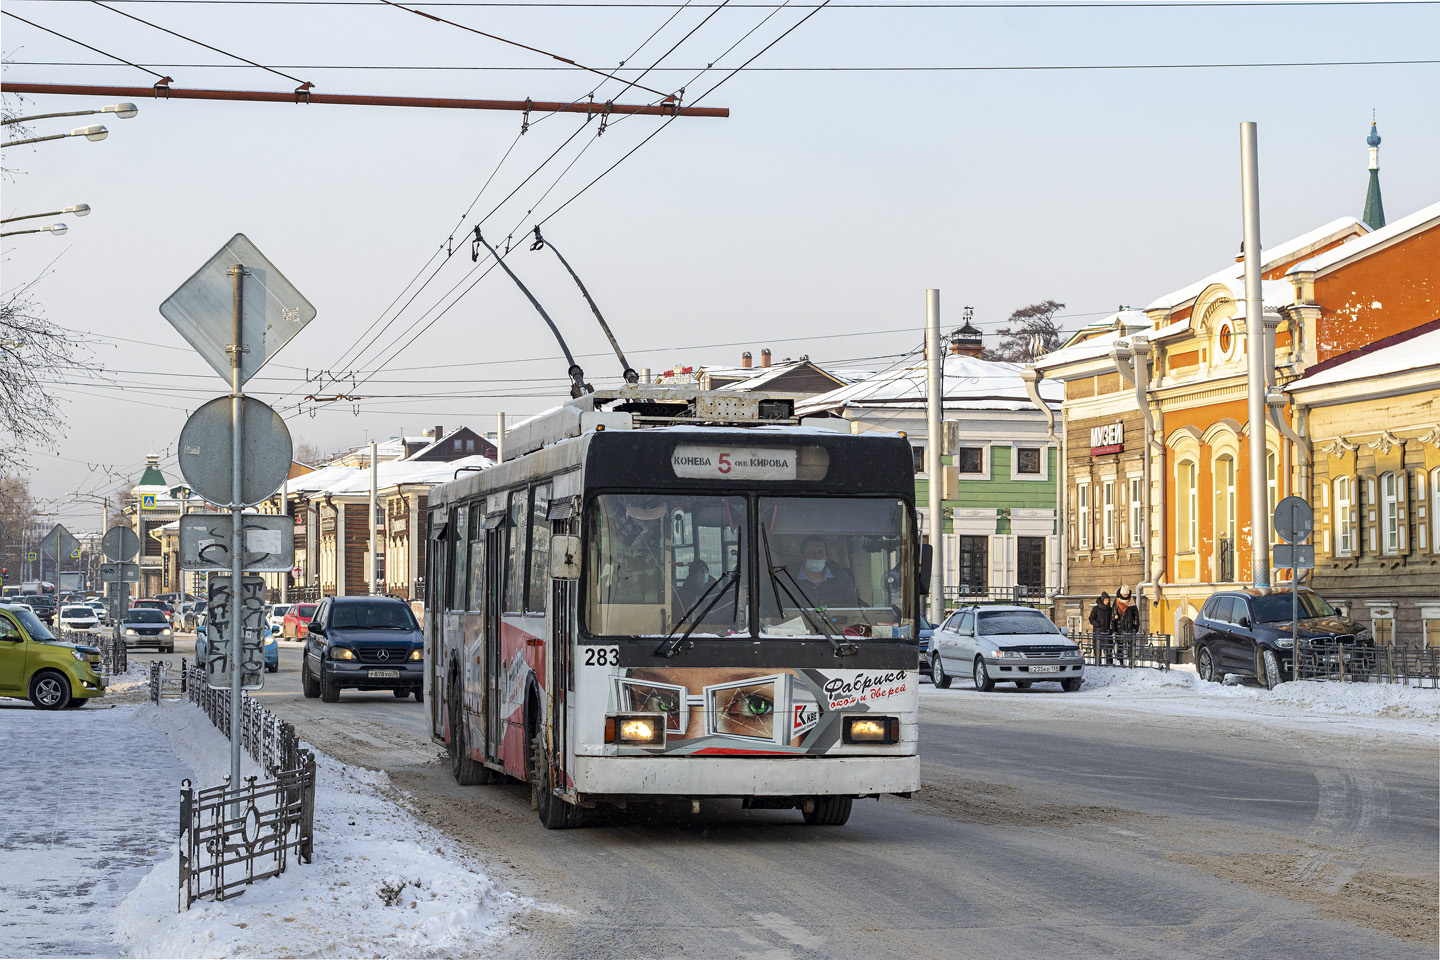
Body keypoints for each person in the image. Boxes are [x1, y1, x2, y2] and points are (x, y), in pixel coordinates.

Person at [791, 536, 859, 609]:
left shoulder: (843, 580)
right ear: (802, 555)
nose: (817, 556)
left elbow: (852, 611)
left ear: (826, 556)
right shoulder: (789, 580)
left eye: (821, 552)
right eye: (811, 552)